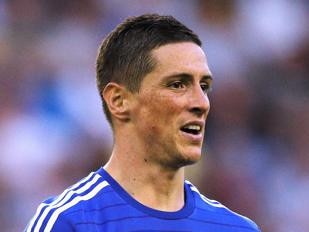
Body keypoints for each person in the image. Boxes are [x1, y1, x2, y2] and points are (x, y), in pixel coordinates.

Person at [25, 14, 261, 232]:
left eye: (204, 86)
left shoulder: (237, 228)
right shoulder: (70, 222)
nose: (202, 103)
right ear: (119, 100)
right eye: (178, 84)